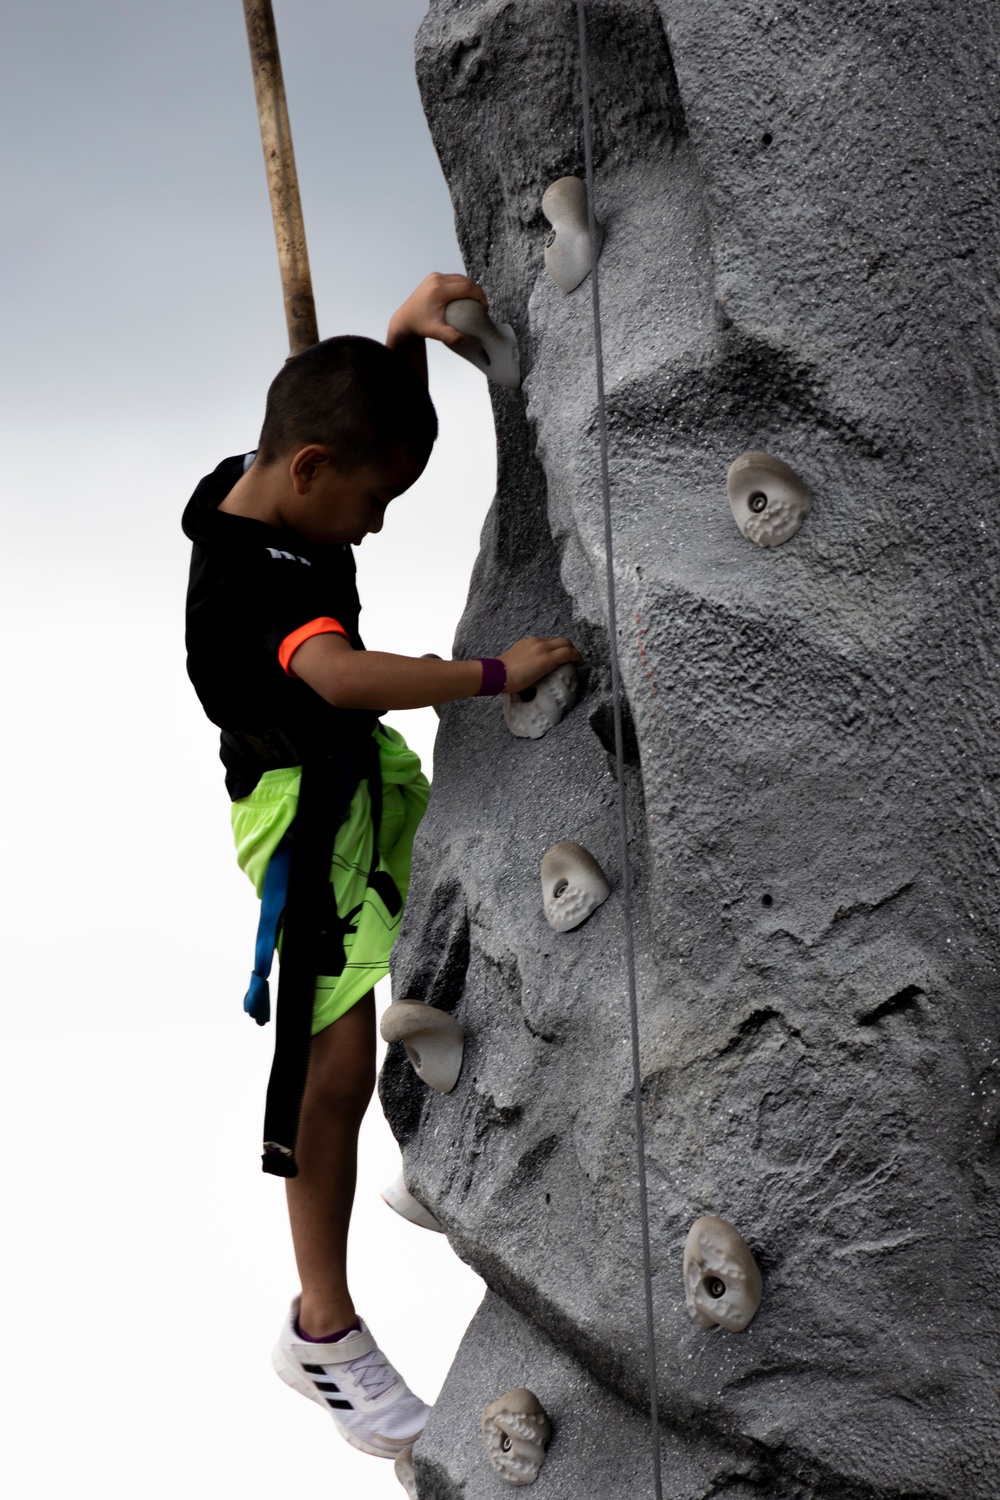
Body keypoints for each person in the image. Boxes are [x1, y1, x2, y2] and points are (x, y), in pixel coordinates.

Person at [182, 273, 582, 1461]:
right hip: (302, 809)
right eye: (371, 502)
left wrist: (401, 342)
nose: (378, 525)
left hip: (359, 782)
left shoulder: (272, 486)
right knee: (328, 1063)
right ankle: (321, 1327)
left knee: (413, 983)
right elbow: (344, 679)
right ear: (308, 474)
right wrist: (490, 676)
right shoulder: (248, 583)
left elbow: (348, 426)